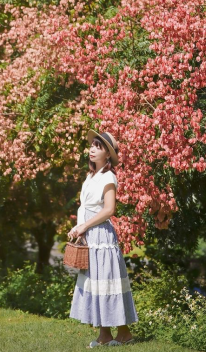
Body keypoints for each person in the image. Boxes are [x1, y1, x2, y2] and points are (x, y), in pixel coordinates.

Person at [69, 130, 139, 347]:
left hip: (101, 236)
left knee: (107, 282)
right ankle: (106, 335)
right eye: (92, 145)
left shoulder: (109, 177)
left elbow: (109, 210)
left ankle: (124, 333)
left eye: (98, 147)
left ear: (108, 155)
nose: (91, 149)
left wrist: (84, 226)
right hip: (91, 234)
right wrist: (78, 227)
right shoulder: (91, 176)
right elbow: (87, 208)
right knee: (98, 282)